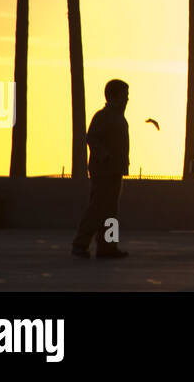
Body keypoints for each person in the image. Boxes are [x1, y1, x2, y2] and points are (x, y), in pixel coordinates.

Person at [71, 79, 131, 259]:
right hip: (104, 172)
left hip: (116, 171)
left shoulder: (119, 117)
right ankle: (80, 244)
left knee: (111, 211)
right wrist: (104, 155)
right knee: (97, 208)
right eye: (124, 95)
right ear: (113, 96)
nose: (127, 99)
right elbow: (92, 138)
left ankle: (108, 247)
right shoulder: (103, 116)